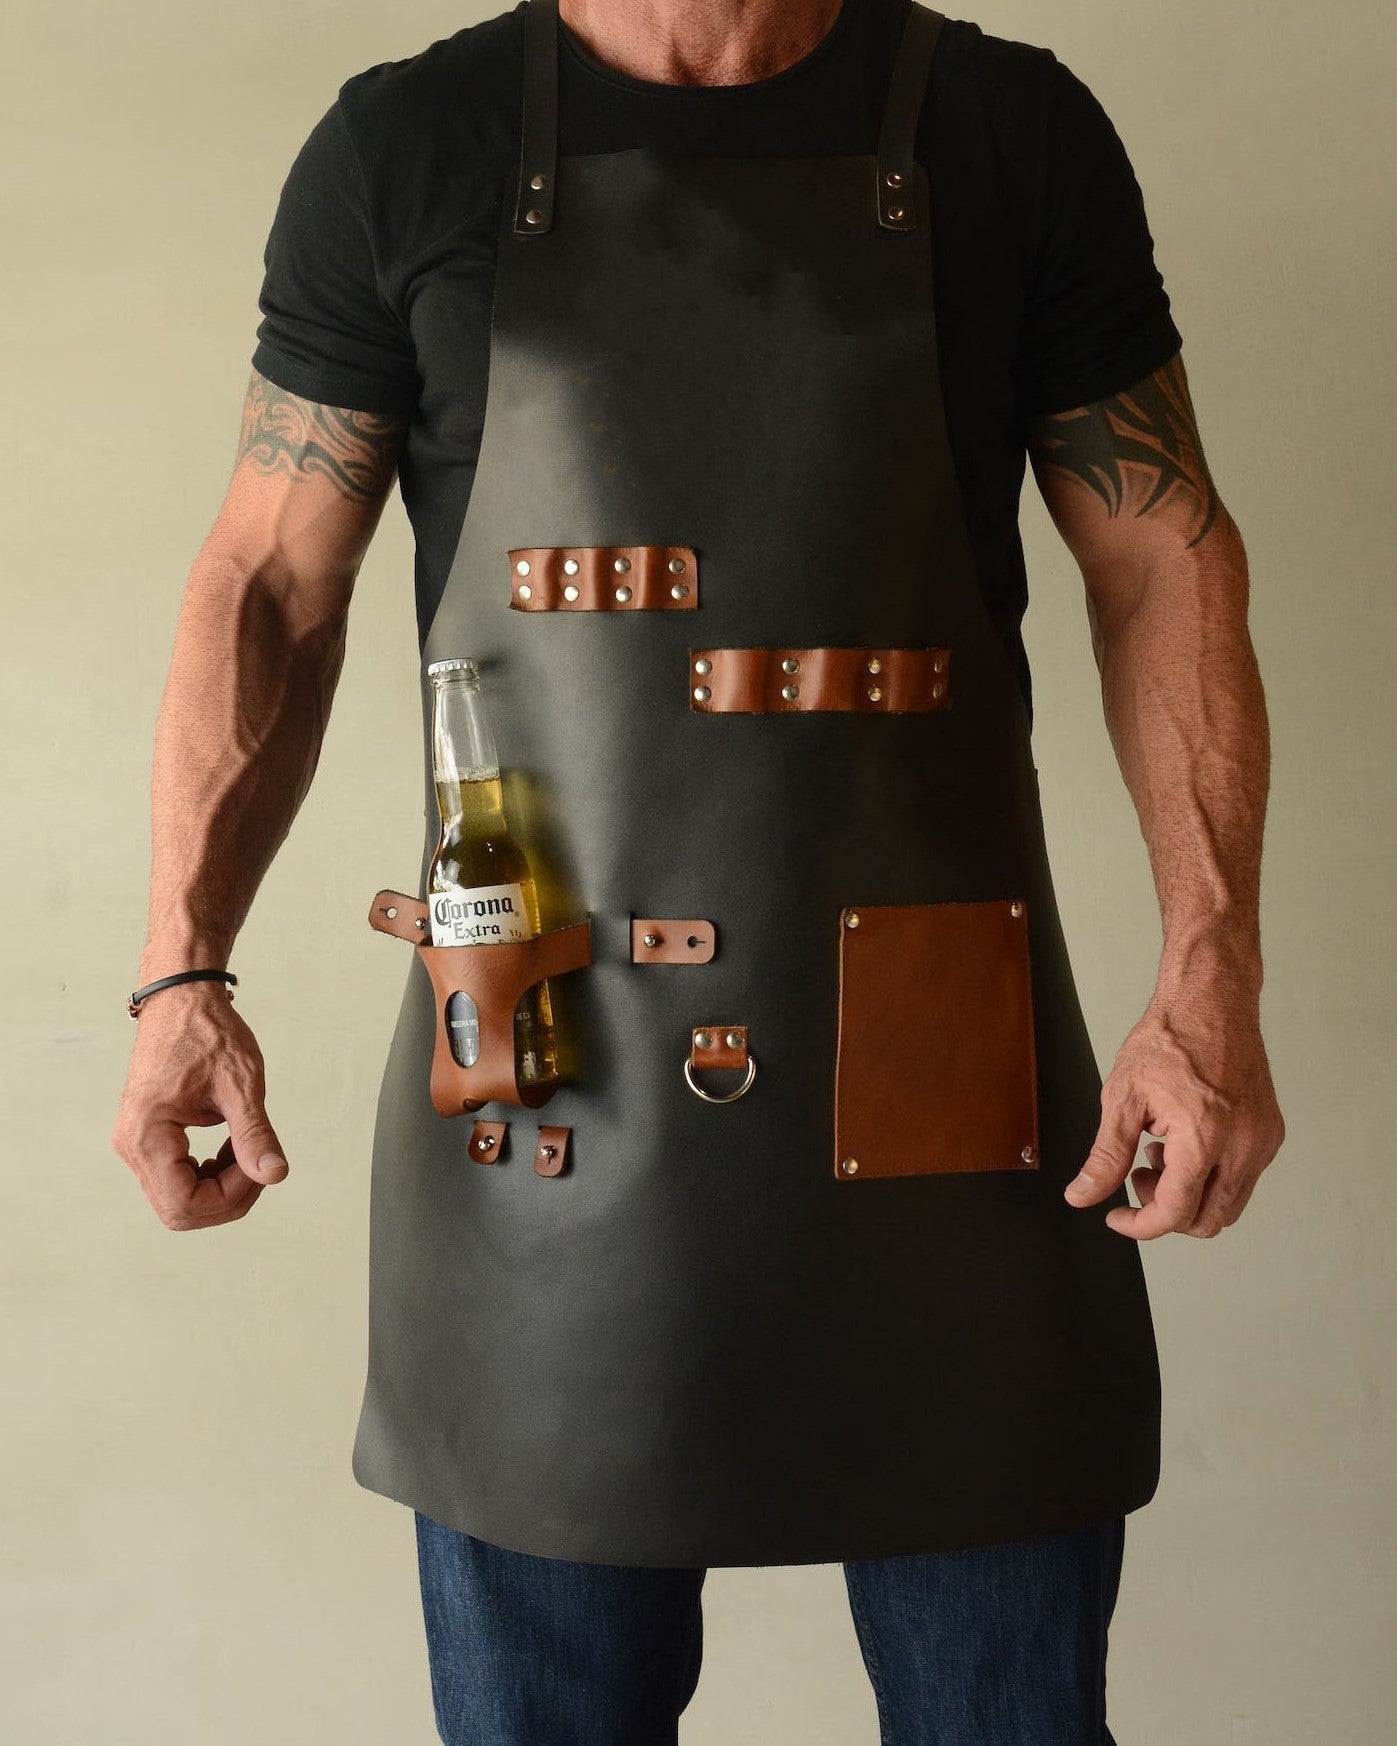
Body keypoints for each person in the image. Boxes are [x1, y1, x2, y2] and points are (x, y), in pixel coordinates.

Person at [111, 1, 1285, 1740]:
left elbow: (1160, 551)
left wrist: (1210, 972)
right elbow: (270, 582)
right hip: (539, 1083)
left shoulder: (1006, 130)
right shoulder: (407, 146)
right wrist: (179, 971)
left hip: (950, 1100)